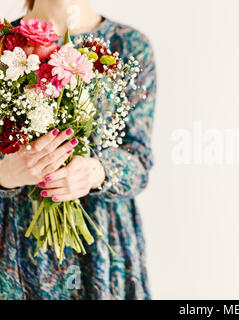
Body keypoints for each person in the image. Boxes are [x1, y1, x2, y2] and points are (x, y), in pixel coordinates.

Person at [0, 0, 156, 299]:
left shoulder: (130, 46)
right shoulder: (4, 45)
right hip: (14, 246)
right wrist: (5, 173)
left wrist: (96, 172)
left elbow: (139, 159)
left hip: (102, 249)